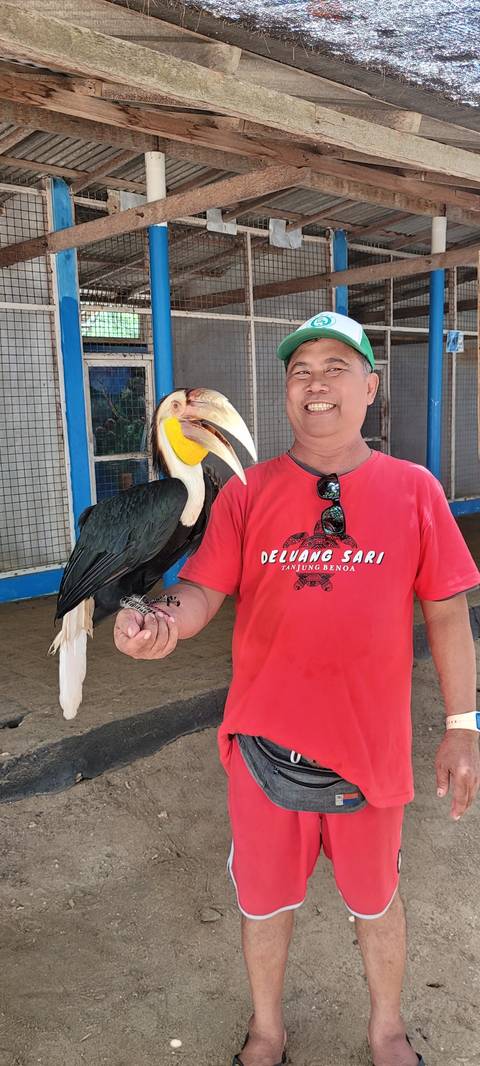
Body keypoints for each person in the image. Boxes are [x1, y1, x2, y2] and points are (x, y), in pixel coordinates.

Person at [114, 311, 480, 1066]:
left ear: (371, 388)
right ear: (285, 394)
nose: (316, 384)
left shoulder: (415, 490)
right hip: (263, 753)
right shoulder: (246, 494)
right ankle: (268, 1030)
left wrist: (465, 725)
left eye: (336, 367)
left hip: (369, 760)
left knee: (377, 905)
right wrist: (160, 624)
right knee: (264, 903)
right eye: (299, 371)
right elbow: (203, 593)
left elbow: (447, 614)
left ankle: (386, 1029)